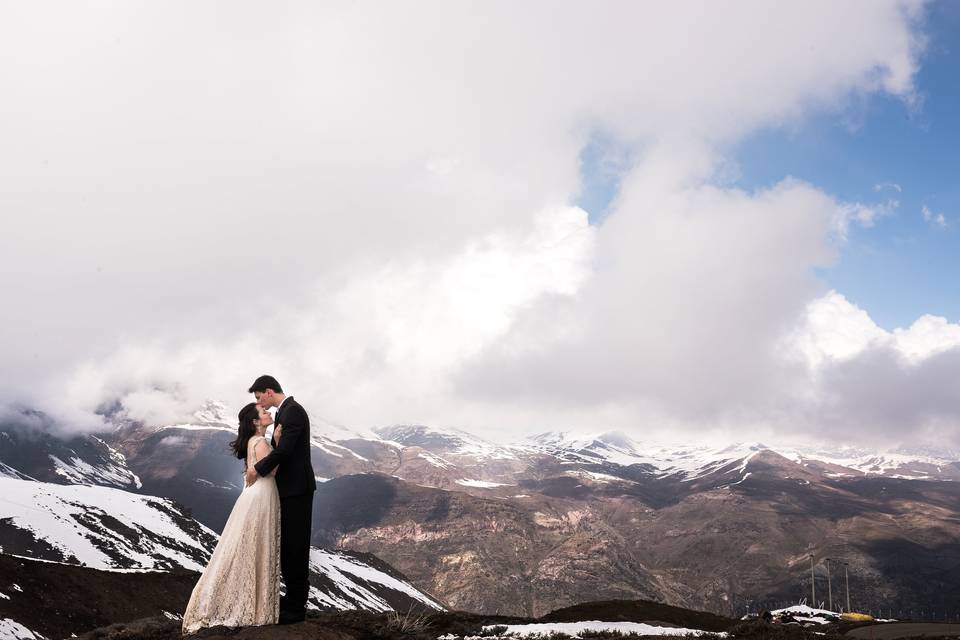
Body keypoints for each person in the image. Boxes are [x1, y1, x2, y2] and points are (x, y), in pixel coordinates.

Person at [182, 403, 281, 634]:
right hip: (262, 496)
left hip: (253, 494)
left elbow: (256, 469)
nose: (268, 414)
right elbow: (273, 470)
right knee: (257, 545)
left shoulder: (251, 442)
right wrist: (277, 442)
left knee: (245, 545)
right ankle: (254, 607)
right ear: (256, 422)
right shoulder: (262, 442)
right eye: (264, 413)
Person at [246, 374, 317, 625]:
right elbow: (283, 448)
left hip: (297, 490)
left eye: (258, 397)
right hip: (289, 489)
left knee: (296, 547)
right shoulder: (284, 413)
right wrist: (275, 443)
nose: (259, 403)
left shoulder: (293, 412)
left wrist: (257, 469)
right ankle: (291, 601)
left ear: (268, 391)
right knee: (287, 545)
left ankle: (296, 608)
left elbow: (286, 451)